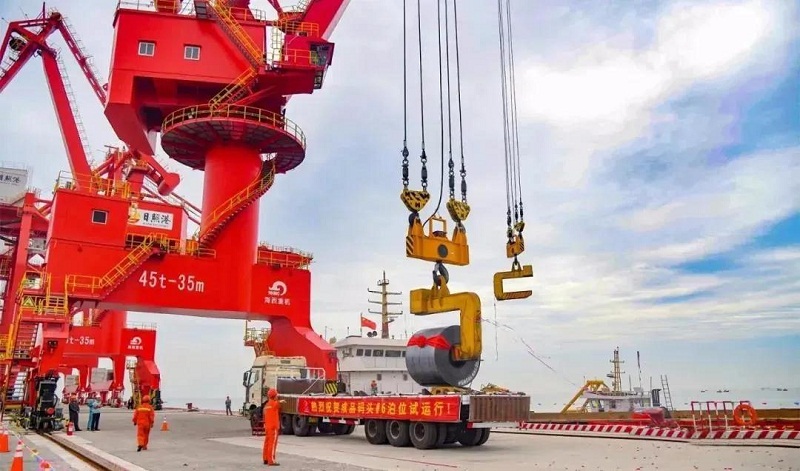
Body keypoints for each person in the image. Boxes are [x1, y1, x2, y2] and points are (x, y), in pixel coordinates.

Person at [262, 389, 285, 466]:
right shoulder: (274, 404)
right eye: (276, 395)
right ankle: (271, 460)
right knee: (272, 444)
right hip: (273, 427)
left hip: (267, 427)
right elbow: (278, 404)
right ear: (274, 396)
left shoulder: (266, 405)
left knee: (267, 443)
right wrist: (281, 401)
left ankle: (265, 458)